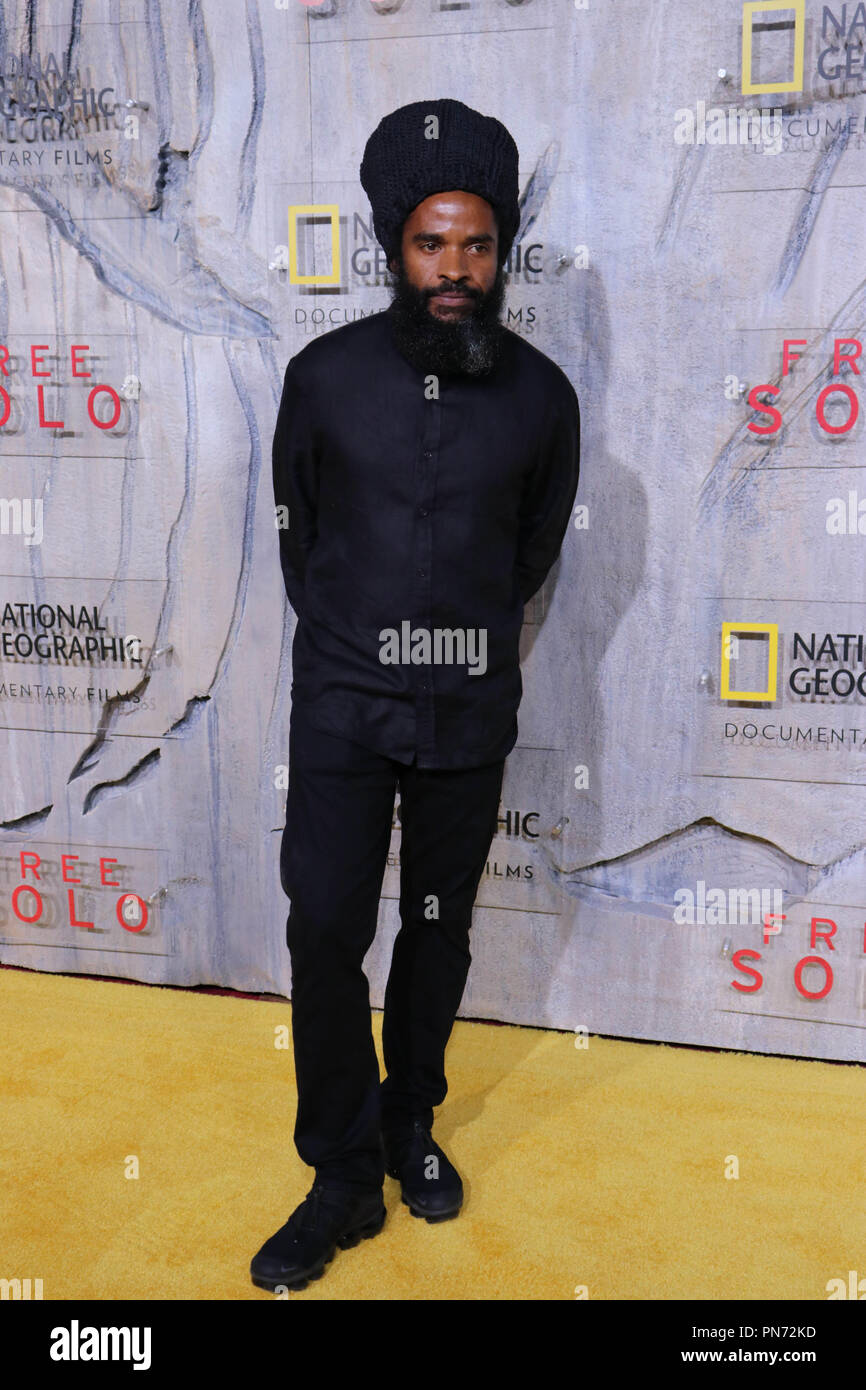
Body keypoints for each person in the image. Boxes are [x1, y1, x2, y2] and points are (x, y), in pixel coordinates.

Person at [250, 97, 580, 1294]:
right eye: (432, 243)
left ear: (501, 254)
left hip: (467, 718)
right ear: (395, 245)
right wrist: (363, 642)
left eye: (476, 245)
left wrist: (459, 646)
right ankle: (339, 1172)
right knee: (325, 930)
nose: (455, 268)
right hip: (343, 705)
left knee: (436, 935)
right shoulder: (322, 377)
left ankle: (407, 1124)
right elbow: (300, 538)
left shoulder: (543, 397)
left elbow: (530, 552)